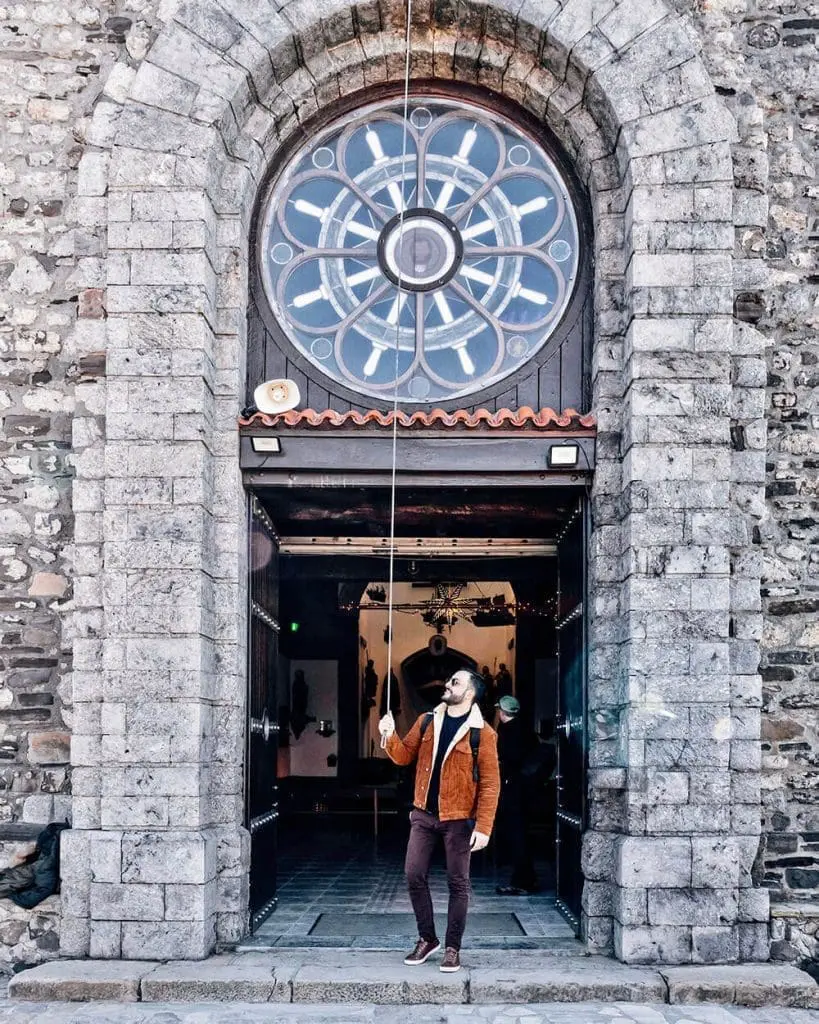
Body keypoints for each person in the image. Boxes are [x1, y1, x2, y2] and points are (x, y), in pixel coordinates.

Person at [379, 668, 500, 973]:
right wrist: (388, 734)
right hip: (423, 814)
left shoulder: (483, 733)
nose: (447, 684)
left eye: (454, 682)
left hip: (459, 819)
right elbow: (404, 755)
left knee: (458, 883)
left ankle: (452, 947)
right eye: (449, 680)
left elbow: (490, 783)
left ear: (469, 693)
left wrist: (484, 827)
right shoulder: (427, 720)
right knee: (413, 874)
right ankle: (426, 938)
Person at [494, 695, 543, 895]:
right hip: (527, 789)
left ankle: (522, 881)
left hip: (513, 788)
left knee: (516, 835)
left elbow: (506, 758)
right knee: (521, 833)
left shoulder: (506, 731)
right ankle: (527, 877)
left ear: (502, 712)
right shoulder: (526, 730)